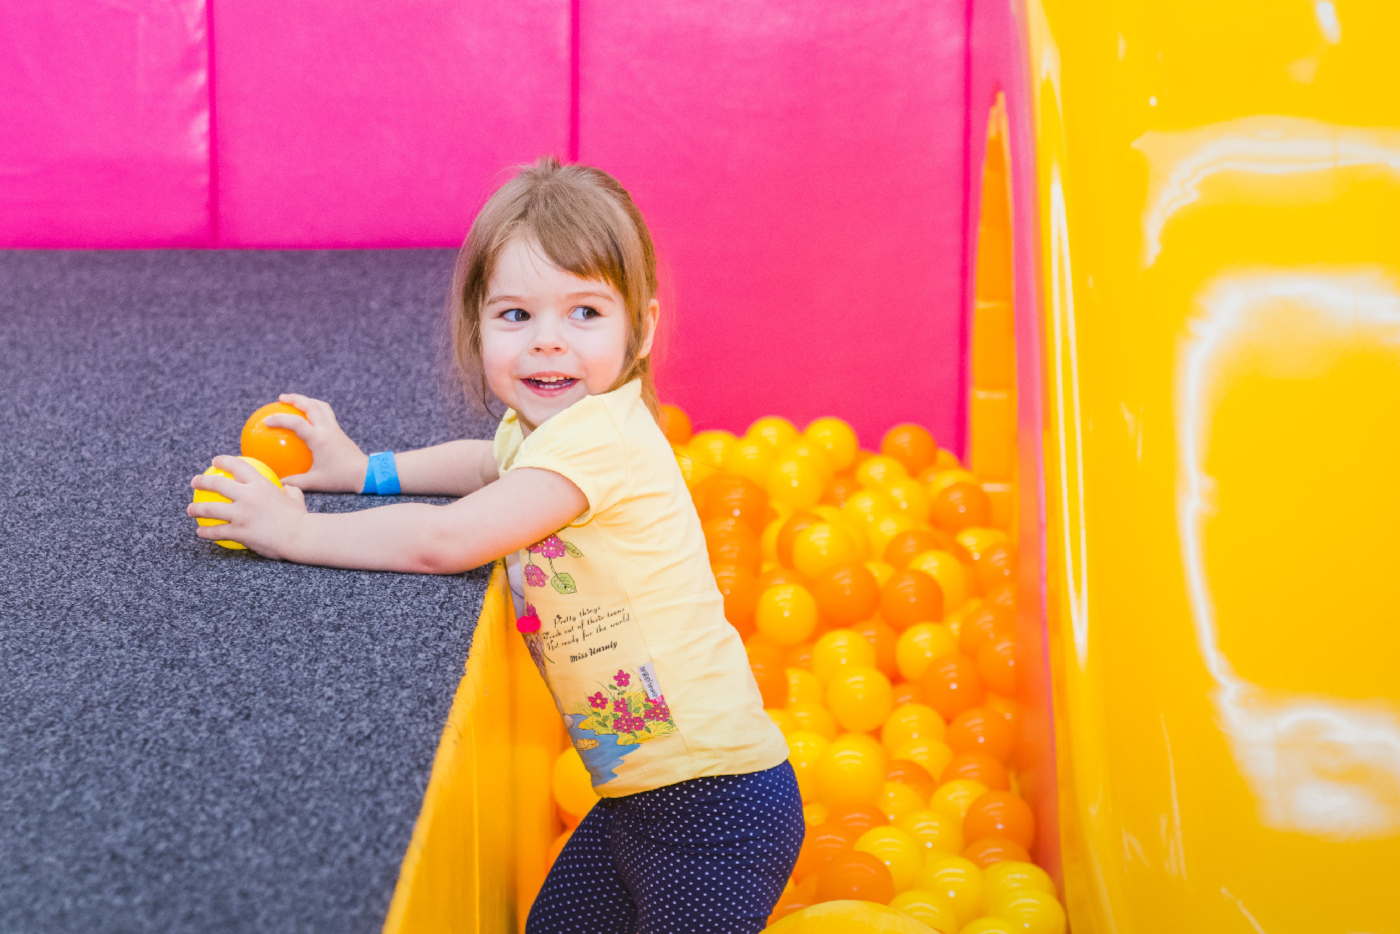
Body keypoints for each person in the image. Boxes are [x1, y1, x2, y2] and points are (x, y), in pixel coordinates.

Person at [186, 157, 802, 933]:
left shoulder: (602, 440)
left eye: (585, 313)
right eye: (516, 316)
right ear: (477, 326)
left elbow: (448, 539)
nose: (548, 344)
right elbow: (483, 461)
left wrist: (292, 530)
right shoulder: (542, 432)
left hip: (714, 806)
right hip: (640, 800)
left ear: (640, 329)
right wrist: (363, 469)